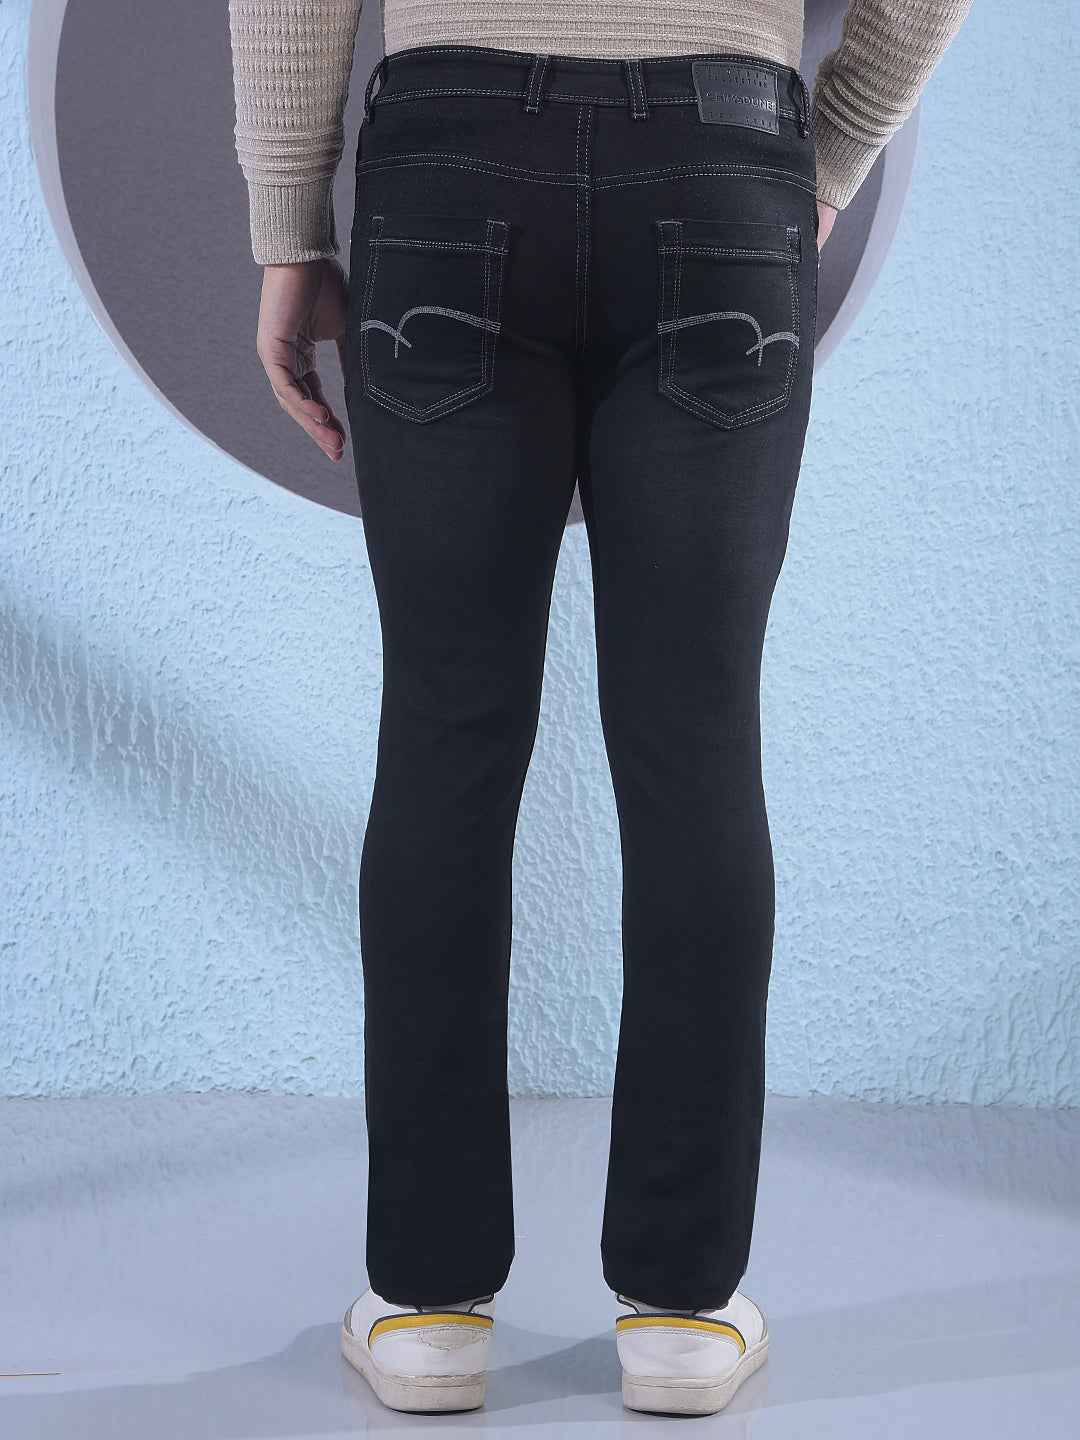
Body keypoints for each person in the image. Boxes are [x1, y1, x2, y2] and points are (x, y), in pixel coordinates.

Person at [229, 0, 972, 1417]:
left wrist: (285, 228)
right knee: (698, 740)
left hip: (447, 162)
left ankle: (426, 1305)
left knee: (444, 734)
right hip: (724, 160)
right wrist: (824, 159)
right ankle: (683, 1311)